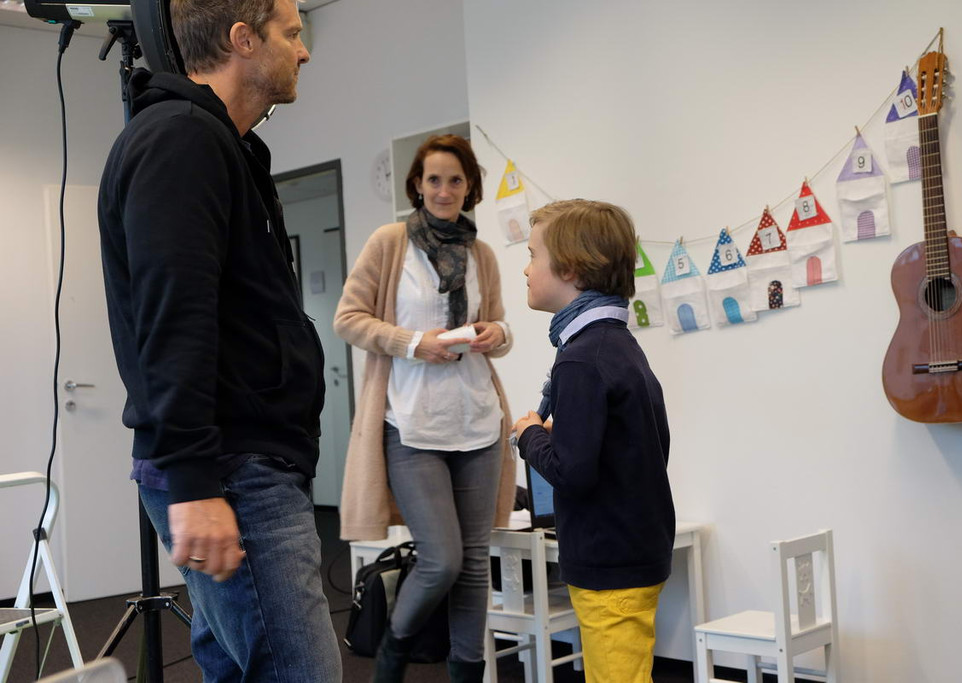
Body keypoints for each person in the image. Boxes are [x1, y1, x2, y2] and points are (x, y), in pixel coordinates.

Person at [96, 0, 343, 680]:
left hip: (238, 462)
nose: (304, 51)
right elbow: (173, 318)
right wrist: (195, 482)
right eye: (292, 33)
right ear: (243, 39)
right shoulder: (181, 140)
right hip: (232, 469)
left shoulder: (220, 145)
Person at [334, 134, 517, 682]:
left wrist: (497, 333)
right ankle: (390, 657)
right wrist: (415, 343)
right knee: (442, 559)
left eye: (455, 180)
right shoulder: (390, 243)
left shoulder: (482, 253)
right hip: (411, 424)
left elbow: (499, 327)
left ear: (469, 187)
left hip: (478, 422)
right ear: (417, 184)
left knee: (474, 565)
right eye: (434, 179)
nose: (444, 190)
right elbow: (349, 319)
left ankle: (466, 673)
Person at [512, 199, 676, 683]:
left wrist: (529, 437)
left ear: (571, 269)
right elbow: (635, 445)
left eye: (532, 255)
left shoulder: (581, 358)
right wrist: (561, 435)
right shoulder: (615, 345)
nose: (525, 269)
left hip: (610, 560)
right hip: (632, 549)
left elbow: (573, 473)